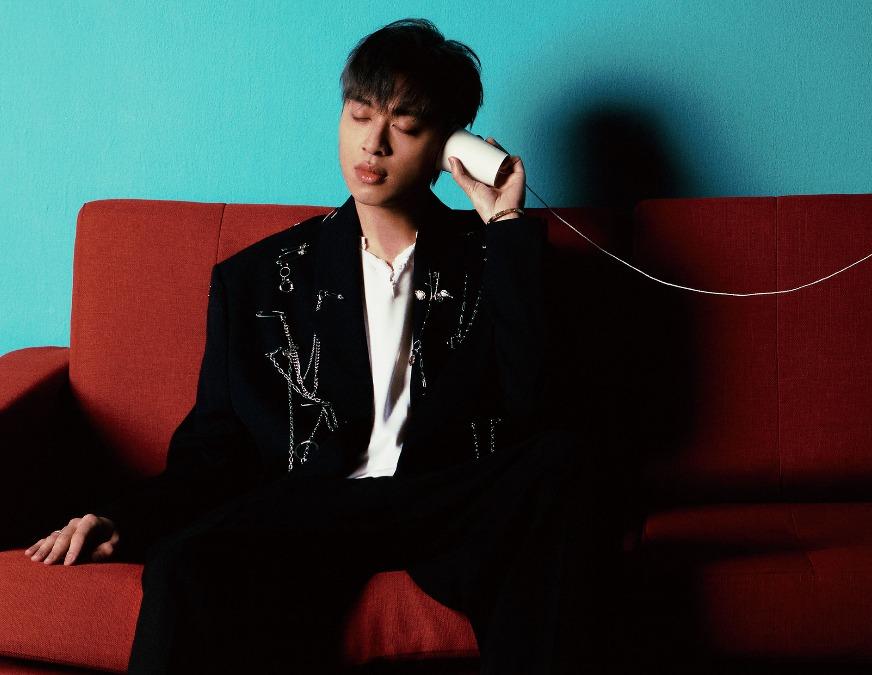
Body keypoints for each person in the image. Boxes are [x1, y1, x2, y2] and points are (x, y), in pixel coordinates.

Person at [23, 17, 626, 675]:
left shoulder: (498, 262)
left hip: (445, 502)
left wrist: (506, 224)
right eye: (360, 114)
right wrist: (122, 518)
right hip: (316, 508)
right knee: (186, 563)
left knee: (567, 461)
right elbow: (213, 453)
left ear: (448, 146)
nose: (374, 142)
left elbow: (537, 407)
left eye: (406, 126)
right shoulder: (257, 280)